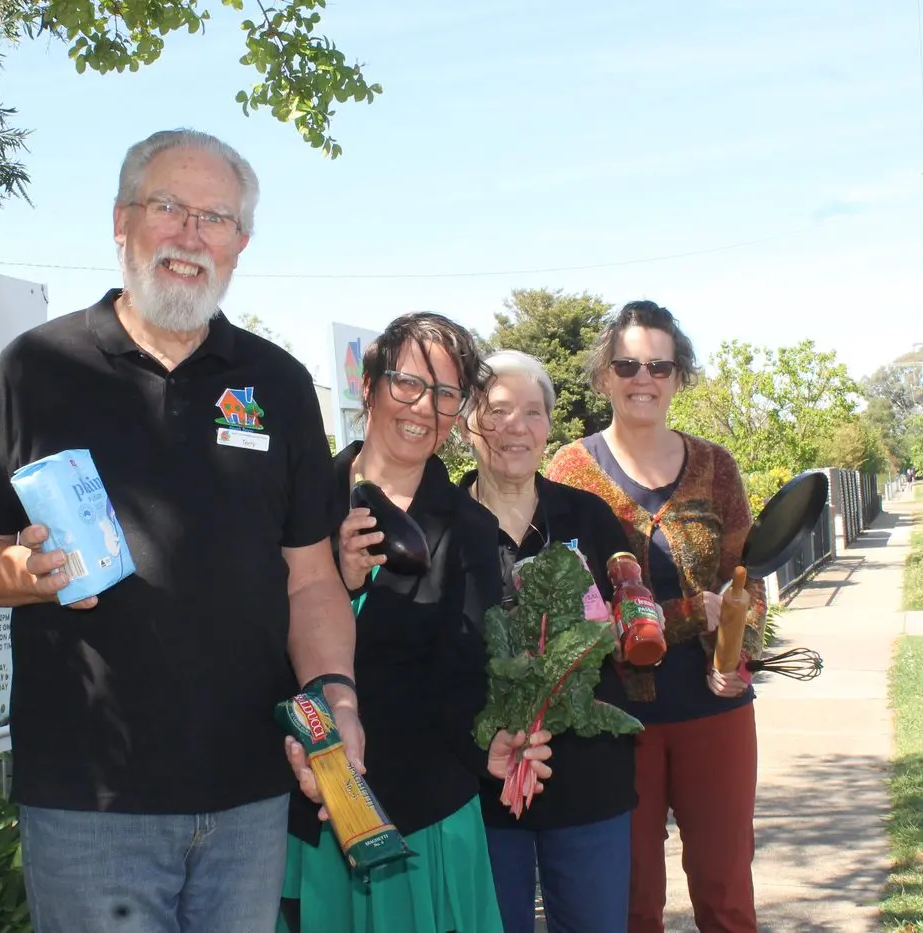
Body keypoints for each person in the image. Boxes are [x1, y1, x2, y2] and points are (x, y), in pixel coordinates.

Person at [0, 128, 360, 933]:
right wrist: (19, 569)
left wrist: (336, 693)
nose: (191, 235)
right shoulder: (36, 368)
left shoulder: (279, 383)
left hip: (249, 793)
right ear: (122, 220)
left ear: (241, 243)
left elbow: (310, 577)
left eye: (217, 218)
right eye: (168, 206)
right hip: (92, 797)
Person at [279, 313, 552, 933]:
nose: (424, 408)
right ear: (369, 384)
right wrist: (336, 584)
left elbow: (467, 681)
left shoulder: (472, 531)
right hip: (316, 807)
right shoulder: (298, 503)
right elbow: (256, 643)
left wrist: (494, 746)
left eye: (446, 394)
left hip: (422, 816)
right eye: (407, 383)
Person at [546, 301, 767, 933]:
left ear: (678, 376)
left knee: (726, 891)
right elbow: (569, 606)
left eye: (659, 366)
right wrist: (689, 613)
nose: (643, 378)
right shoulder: (570, 471)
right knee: (629, 898)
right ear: (604, 376)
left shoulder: (716, 465)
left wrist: (738, 650)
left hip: (715, 711)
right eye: (627, 364)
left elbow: (743, 579)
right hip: (615, 721)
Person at [459, 350, 639, 933]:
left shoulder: (589, 517)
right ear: (467, 424)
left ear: (548, 428)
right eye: (498, 411)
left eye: (533, 413)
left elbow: (631, 618)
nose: (517, 427)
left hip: (588, 779)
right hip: (480, 788)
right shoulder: (441, 526)